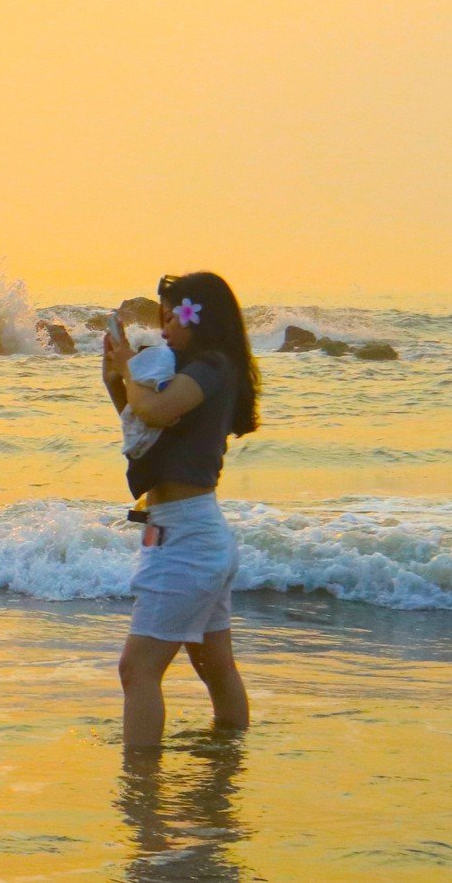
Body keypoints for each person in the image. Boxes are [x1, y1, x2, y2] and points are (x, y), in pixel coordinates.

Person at [102, 272, 260, 748]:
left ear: (198, 315)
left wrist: (132, 369)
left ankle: (142, 792)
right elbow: (141, 422)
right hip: (186, 533)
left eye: (172, 314)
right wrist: (118, 377)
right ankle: (227, 767)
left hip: (188, 539)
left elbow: (156, 411)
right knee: (214, 665)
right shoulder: (186, 369)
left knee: (137, 670)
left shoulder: (211, 367)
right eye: (161, 315)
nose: (164, 324)